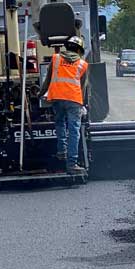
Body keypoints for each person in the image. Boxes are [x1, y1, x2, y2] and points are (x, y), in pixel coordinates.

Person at [39, 36, 88, 175]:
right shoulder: (82, 64)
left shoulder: (55, 59)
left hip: (57, 98)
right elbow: (83, 86)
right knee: (74, 130)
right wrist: (83, 104)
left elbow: (47, 80)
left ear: (67, 47)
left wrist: (40, 94)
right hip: (74, 100)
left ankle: (62, 151)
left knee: (60, 123)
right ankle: (72, 164)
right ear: (79, 50)